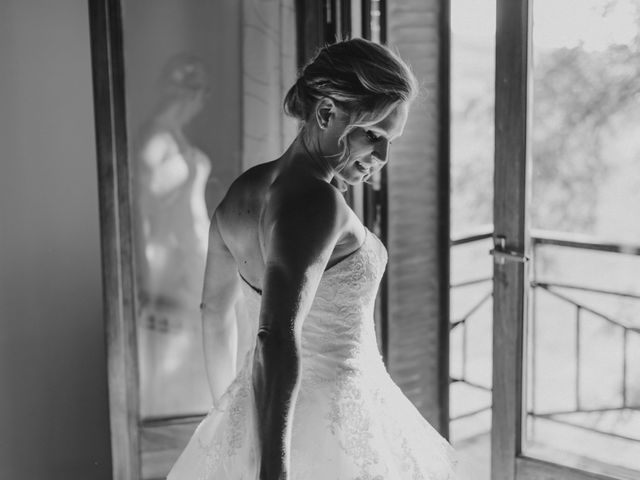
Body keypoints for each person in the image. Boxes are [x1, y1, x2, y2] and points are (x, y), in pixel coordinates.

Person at [168, 38, 456, 479]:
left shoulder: (243, 191)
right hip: (334, 423)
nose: (381, 158)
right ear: (325, 113)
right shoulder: (316, 203)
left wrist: (229, 418)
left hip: (266, 410)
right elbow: (275, 335)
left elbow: (213, 313)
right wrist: (275, 470)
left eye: (390, 141)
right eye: (373, 135)